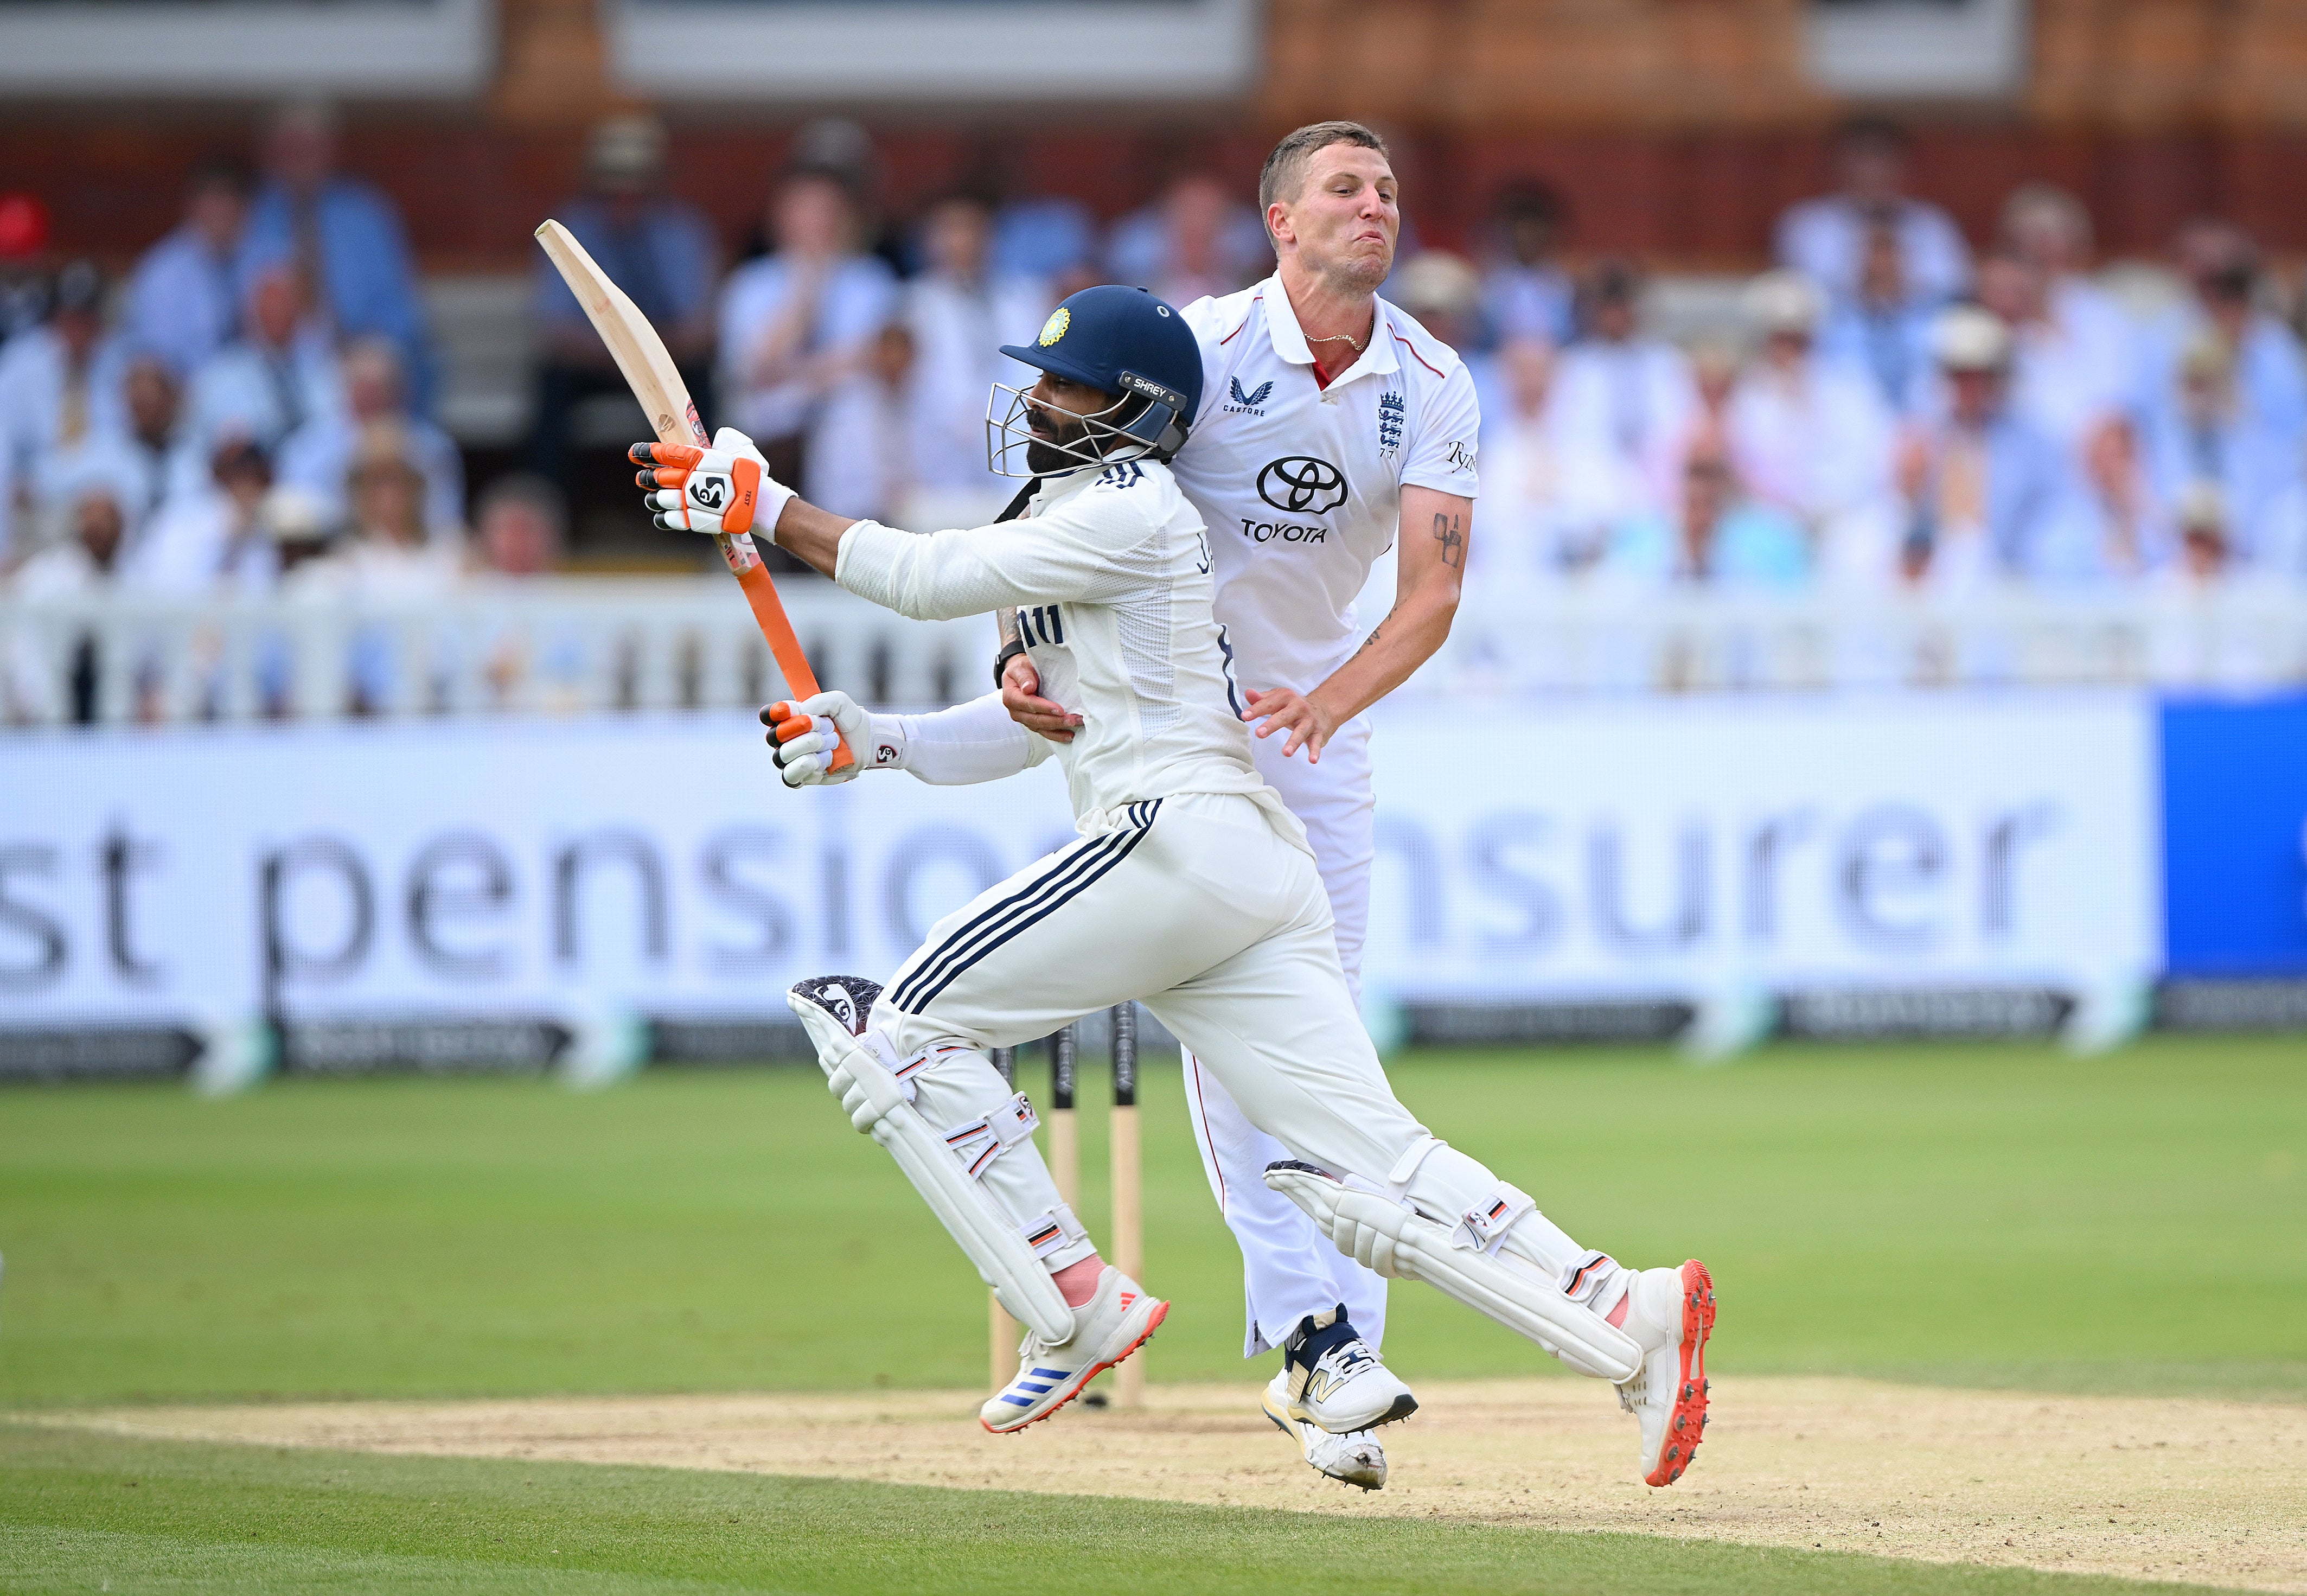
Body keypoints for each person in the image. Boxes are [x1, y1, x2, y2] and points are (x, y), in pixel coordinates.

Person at [630, 279, 1716, 1492]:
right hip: (1240, 873)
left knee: (895, 1029)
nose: (1035, 401)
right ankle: (1625, 1309)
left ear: (1132, 410)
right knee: (1381, 1160)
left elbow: (923, 576)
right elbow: (1043, 721)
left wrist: (764, 502)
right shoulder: (1084, 510)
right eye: (1035, 381)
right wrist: (875, 740)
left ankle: (1071, 1296)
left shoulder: (1131, 506)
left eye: (1062, 387)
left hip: (1167, 839)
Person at [998, 124, 1485, 1491]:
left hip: (1315, 739)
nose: (1374, 206)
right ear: (1281, 222)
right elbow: (1055, 493)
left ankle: (1339, 1379)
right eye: (1345, 188)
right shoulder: (1198, 349)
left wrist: (1330, 701)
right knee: (1231, 1049)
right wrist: (1017, 652)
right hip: (1173, 734)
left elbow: (1433, 593)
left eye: (1388, 187)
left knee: (1327, 1054)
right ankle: (1314, 1338)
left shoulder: (1433, 381)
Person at [529, 115, 721, 493]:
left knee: (700, 398)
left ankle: (700, 517)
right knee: (549, 388)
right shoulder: (570, 229)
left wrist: (647, 354)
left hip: (668, 363)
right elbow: (556, 329)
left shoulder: (682, 231)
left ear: (655, 187)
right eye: (613, 190)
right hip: (591, 363)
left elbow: (700, 330)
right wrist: (619, 354)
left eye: (637, 190)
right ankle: (549, 513)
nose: (624, 201)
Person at [237, 99, 431, 411]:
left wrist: (362, 349)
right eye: (288, 148)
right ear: (270, 154)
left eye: (308, 147)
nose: (298, 158)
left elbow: (399, 307)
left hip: (357, 350)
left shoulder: (367, 214)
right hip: (278, 356)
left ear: (329, 151)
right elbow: (242, 297)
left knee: (378, 373)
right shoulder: (252, 216)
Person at [717, 166, 900, 487]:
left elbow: (880, 359)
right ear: (781, 219)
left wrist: (799, 374)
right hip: (770, 421)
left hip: (852, 417)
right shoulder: (751, 283)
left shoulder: (872, 278)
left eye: (831, 212)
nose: (820, 223)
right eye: (807, 212)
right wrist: (807, 286)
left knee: (854, 407)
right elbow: (755, 371)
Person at [1894, 305, 2094, 589]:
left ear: (1998, 377)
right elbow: (1906, 527)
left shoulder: (2035, 444)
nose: (1968, 386)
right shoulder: (1921, 437)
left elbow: (2055, 521)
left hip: (2012, 584)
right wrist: (1910, 490)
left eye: (1978, 375)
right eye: (1958, 374)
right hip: (1937, 584)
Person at [1723, 271, 1897, 583]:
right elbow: (1745, 468)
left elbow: (1872, 460)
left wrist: (1825, 507)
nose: (1789, 350)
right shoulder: (1747, 397)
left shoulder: (1848, 388)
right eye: (1780, 338)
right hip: (1773, 525)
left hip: (1842, 518)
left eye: (1798, 339)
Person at [899, 193, 1053, 526]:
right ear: (931, 241)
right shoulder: (912, 303)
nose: (962, 241)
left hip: (1017, 439)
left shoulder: (1025, 296)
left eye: (972, 230)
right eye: (951, 231)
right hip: (939, 451)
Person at [0, 260, 130, 565]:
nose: (77, 332)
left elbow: (121, 453)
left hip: (97, 503)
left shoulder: (122, 363)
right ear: (55, 320)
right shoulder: (20, 365)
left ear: (102, 323)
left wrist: (55, 478)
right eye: (70, 320)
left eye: (87, 321)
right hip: (33, 509)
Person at [1775, 117, 1970, 312]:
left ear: (1903, 167)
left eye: (1883, 160)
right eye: (1863, 161)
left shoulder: (1932, 222)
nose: (1874, 171)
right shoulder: (1807, 223)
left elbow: (1953, 285)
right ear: (1840, 166)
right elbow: (1805, 290)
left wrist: (1900, 281)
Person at [1551, 259, 1696, 519]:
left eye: (1623, 307)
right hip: (1591, 497)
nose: (1616, 317)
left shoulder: (1665, 362)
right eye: (1609, 308)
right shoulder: (1576, 367)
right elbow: (1564, 440)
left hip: (1660, 497)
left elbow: (1682, 430)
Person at [278, 336, 463, 540]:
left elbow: (445, 521)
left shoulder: (433, 450)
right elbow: (296, 518)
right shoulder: (307, 450)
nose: (370, 396)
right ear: (346, 389)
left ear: (399, 391)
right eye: (362, 387)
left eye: (379, 387)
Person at [188, 261, 342, 454]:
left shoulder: (322, 365)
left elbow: (334, 426)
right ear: (253, 315)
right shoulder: (221, 376)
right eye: (271, 308)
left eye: (285, 306)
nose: (278, 315)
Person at [126, 157, 254, 380]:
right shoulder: (162, 274)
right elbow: (156, 367)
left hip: (249, 400)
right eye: (214, 199)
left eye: (232, 200)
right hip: (184, 405)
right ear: (193, 205)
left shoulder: (259, 262)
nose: (224, 211)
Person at [1816, 221, 1937, 417]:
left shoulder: (1930, 323)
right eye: (1875, 256)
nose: (1882, 266)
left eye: (1888, 256)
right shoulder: (1836, 326)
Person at [1478, 179, 1575, 349]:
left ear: (1545, 235)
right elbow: (1486, 334)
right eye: (1521, 232)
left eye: (1533, 232)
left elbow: (1568, 335)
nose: (1527, 239)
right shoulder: (1494, 282)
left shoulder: (1562, 283)